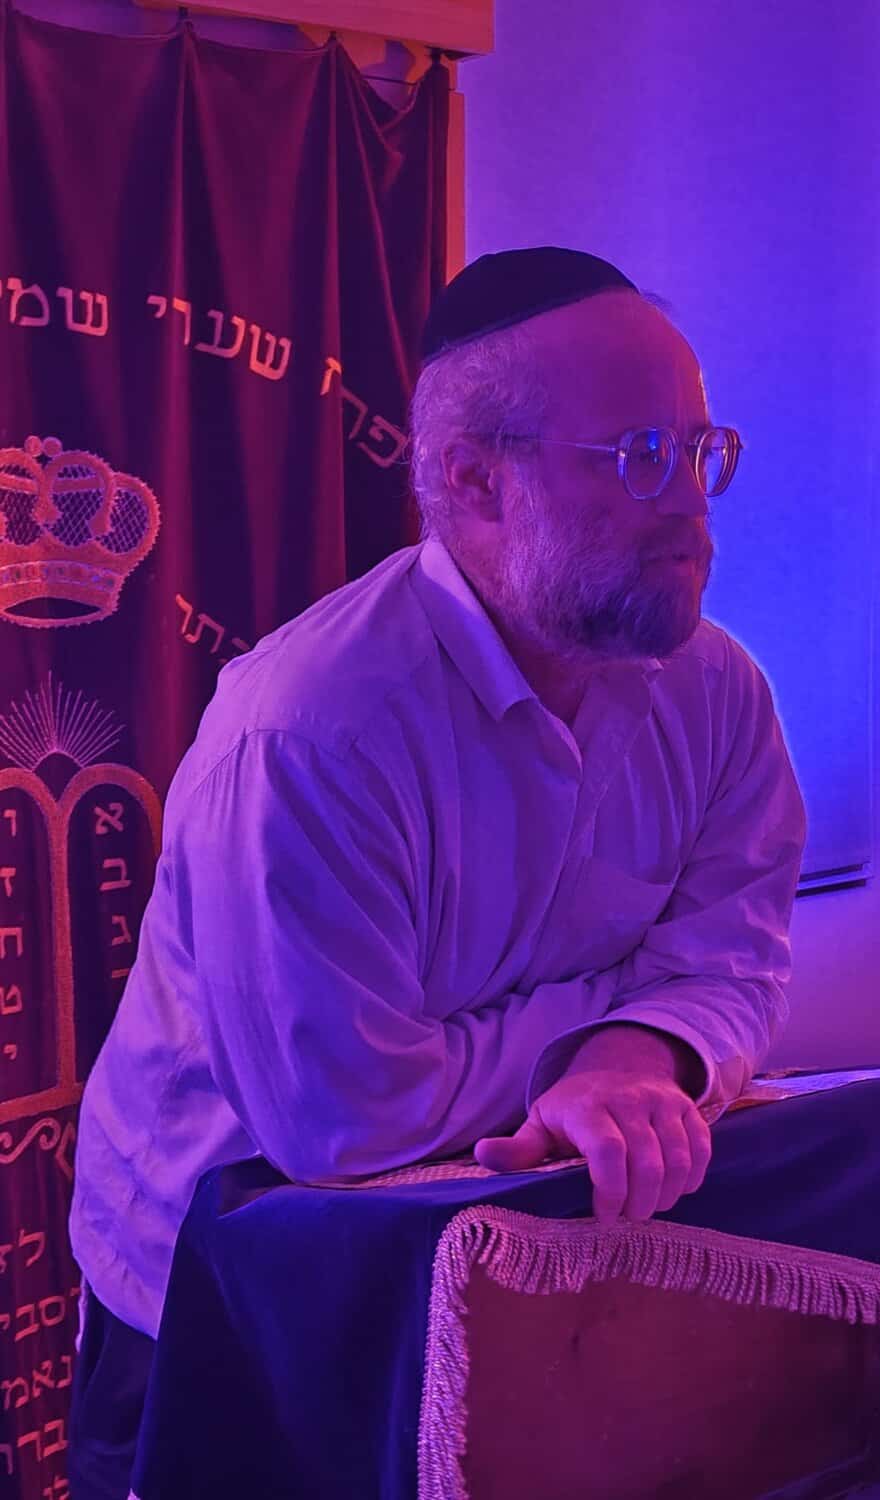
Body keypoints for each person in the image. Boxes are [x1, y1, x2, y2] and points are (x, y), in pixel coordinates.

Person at [67, 246, 806, 1497]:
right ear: (474, 481)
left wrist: (641, 1058)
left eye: (699, 450)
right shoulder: (309, 731)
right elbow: (344, 1118)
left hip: (523, 1279)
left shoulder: (718, 690)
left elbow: (736, 955)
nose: (690, 504)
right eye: (638, 455)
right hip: (230, 1305)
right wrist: (605, 1038)